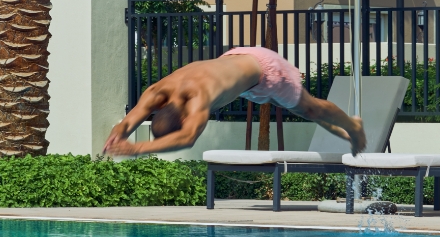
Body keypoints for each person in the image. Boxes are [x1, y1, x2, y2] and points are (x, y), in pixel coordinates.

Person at [103, 47, 366, 156]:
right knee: (305, 111)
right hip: (238, 63)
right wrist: (116, 137)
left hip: (266, 71)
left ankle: (353, 126)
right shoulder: (156, 93)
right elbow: (126, 124)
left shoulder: (198, 98)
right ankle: (342, 129)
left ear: (183, 119)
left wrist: (137, 149)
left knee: (310, 107)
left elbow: (187, 138)